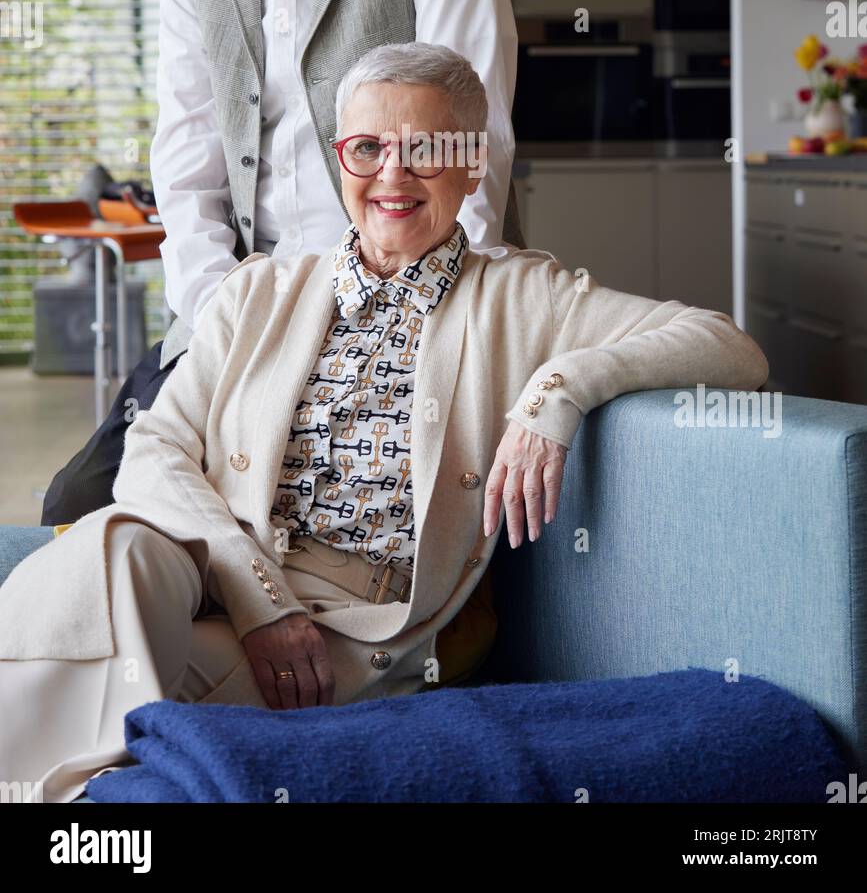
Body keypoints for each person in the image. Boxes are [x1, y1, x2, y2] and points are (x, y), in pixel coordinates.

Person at [0, 43, 769, 803]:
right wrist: (258, 596)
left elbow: (728, 346)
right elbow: (154, 450)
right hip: (214, 566)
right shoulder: (259, 292)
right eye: (365, 149)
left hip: (350, 624)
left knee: (107, 682)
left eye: (424, 150)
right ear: (341, 159)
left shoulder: (522, 297)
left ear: (471, 163)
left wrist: (558, 389)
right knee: (114, 542)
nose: (390, 176)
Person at [41, 0, 524, 527]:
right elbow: (188, 168)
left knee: (321, 512)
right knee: (80, 503)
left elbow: (467, 149)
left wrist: (415, 330)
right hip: (246, 312)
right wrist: (219, 317)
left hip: (407, 303)